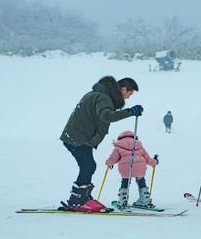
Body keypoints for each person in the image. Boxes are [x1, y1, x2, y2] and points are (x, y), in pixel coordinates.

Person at [60, 76, 143, 212]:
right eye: (130, 93)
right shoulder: (103, 97)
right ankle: (78, 201)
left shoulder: (100, 95)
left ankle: (80, 199)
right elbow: (106, 116)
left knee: (88, 166)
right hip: (78, 138)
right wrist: (130, 112)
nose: (128, 98)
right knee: (88, 166)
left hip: (78, 137)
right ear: (123, 89)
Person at [105, 130, 158, 209]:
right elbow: (147, 159)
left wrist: (108, 163)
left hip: (126, 168)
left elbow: (113, 159)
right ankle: (145, 200)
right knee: (141, 181)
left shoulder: (118, 146)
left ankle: (123, 201)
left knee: (125, 182)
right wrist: (155, 162)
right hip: (140, 167)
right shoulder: (139, 145)